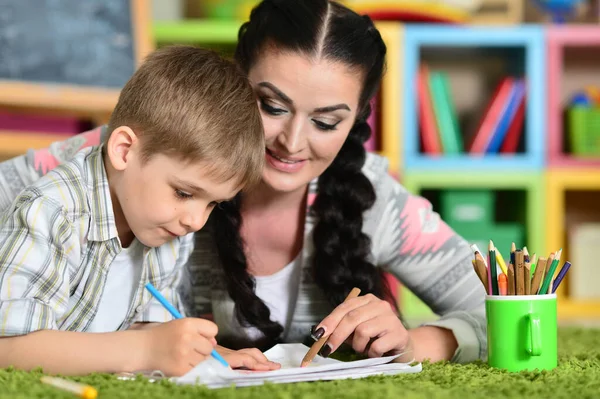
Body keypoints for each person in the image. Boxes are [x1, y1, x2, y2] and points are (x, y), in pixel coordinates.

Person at [0, 0, 486, 367]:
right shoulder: (127, 159)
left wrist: (416, 342)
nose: (291, 142)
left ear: (356, 119)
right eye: (271, 106)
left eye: (326, 121)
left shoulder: (373, 199)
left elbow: (510, 307)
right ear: (235, 84)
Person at [0, 45, 266, 376]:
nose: (196, 221)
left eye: (212, 203)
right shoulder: (52, 211)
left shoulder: (166, 227)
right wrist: (144, 349)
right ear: (124, 151)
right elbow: (8, 349)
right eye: (183, 192)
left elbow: (146, 330)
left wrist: (200, 352)